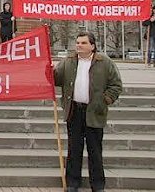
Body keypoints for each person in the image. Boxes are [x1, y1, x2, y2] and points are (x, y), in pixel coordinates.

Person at [53, 31, 122, 192]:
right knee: (74, 150)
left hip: (94, 113)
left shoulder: (104, 62)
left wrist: (104, 101)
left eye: (83, 43)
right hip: (74, 111)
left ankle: (97, 185)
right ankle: (72, 183)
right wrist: (51, 71)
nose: (79, 45)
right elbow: (57, 80)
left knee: (95, 151)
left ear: (92, 45)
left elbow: (116, 85)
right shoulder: (69, 61)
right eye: (77, 42)